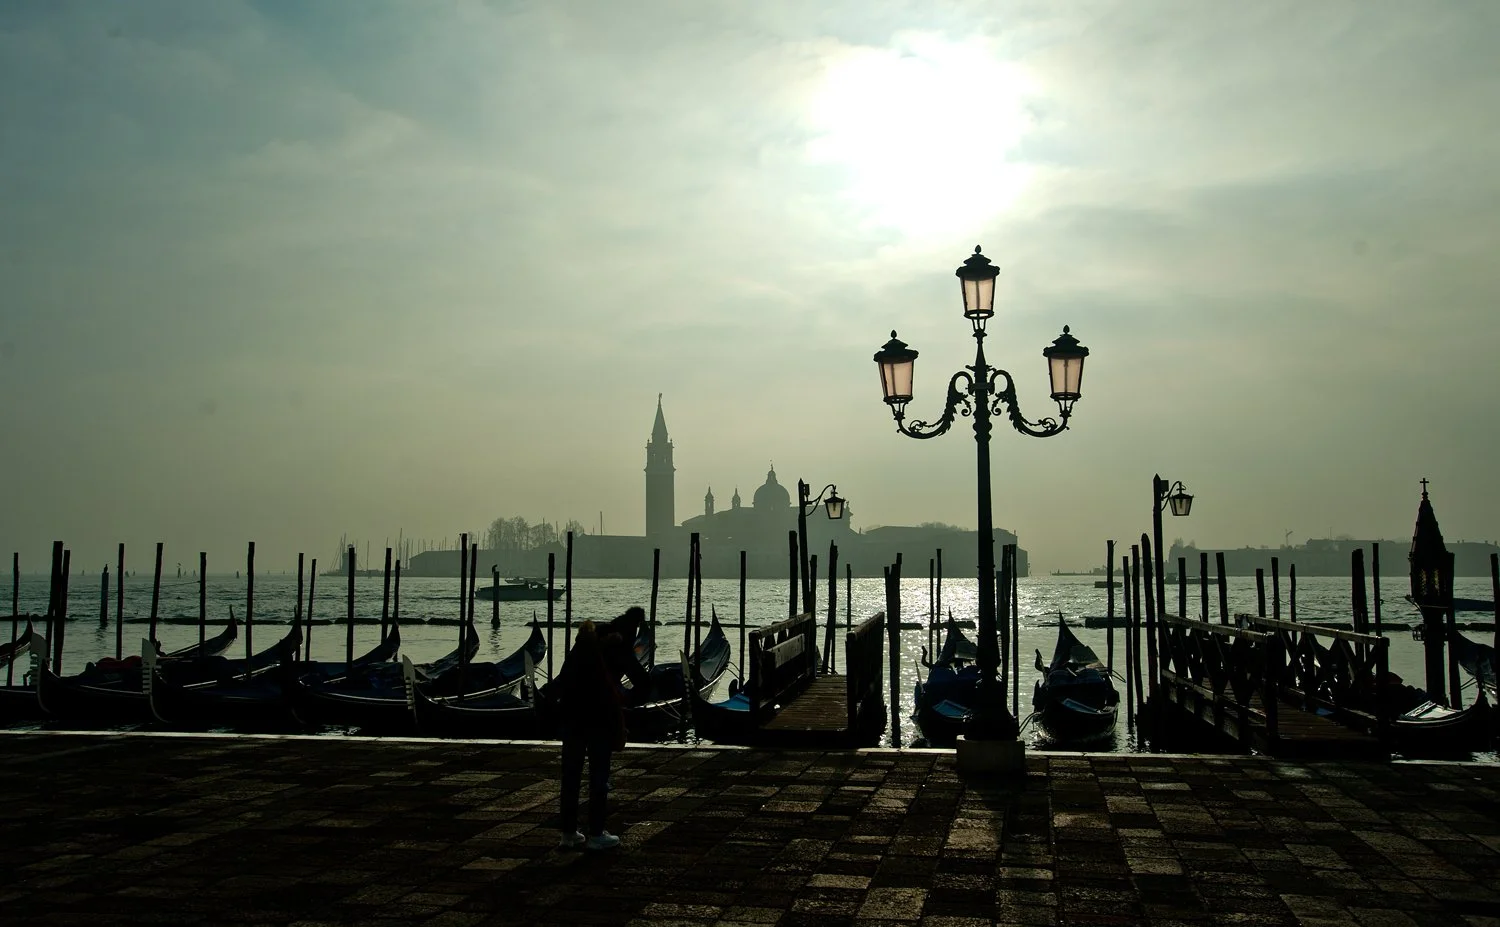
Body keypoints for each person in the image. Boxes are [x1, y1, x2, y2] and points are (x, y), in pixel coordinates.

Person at [555, 609, 651, 851]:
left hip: (571, 715)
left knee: (571, 775)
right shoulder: (620, 646)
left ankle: (568, 833)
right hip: (600, 717)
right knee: (599, 776)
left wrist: (547, 701)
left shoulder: (583, 644)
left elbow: (562, 680)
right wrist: (627, 701)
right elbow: (642, 682)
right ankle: (596, 833)